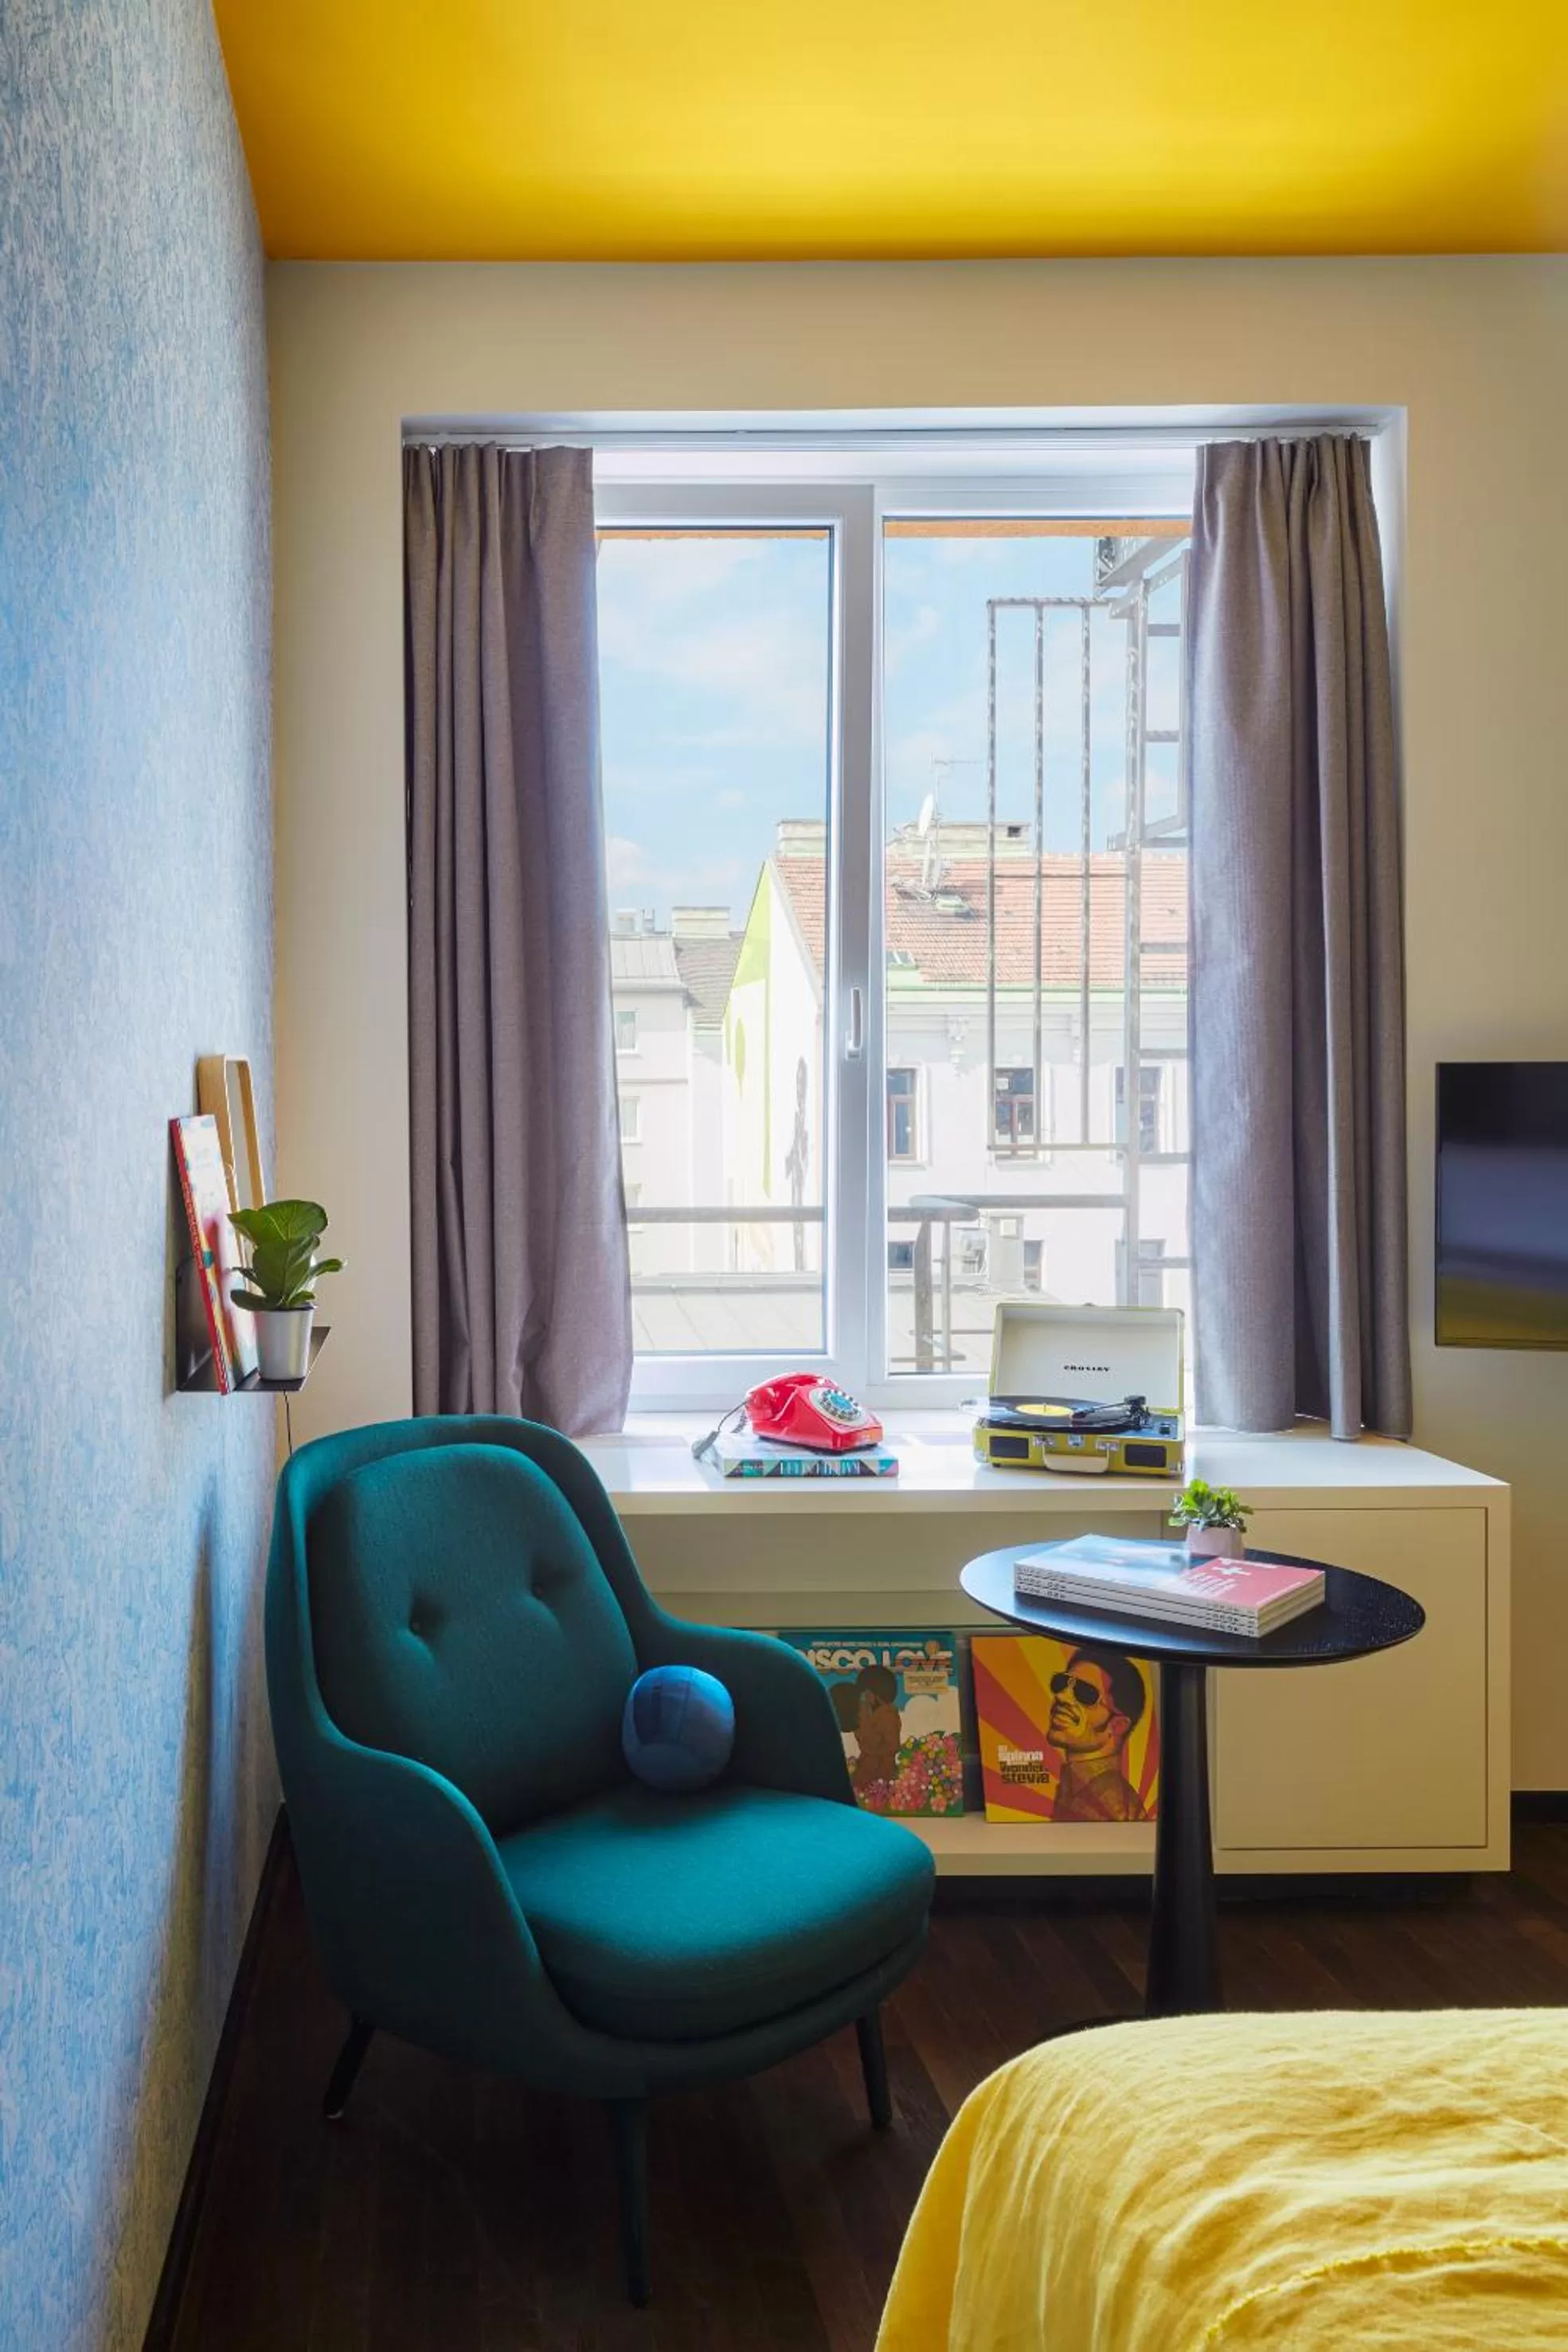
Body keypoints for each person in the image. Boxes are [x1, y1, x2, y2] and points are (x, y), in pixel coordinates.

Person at [1047, 1646, 1150, 1823]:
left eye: (1085, 1693)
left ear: (1117, 1726)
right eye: (1062, 1683)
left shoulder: (1110, 1804)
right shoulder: (1075, 1789)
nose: (1062, 1697)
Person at [831, 1663, 901, 1795]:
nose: (863, 1697)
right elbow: (863, 1738)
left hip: (882, 1770)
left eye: (866, 1693)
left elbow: (892, 1746)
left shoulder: (888, 1714)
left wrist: (864, 1717)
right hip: (867, 1766)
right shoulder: (866, 1711)